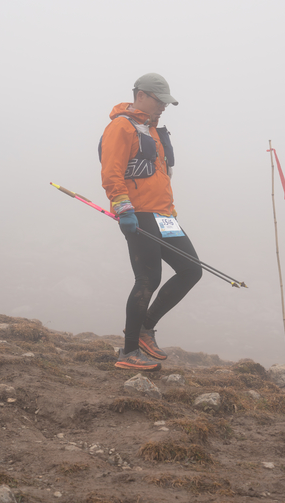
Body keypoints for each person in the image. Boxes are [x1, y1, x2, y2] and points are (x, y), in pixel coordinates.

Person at [100, 73, 202, 371]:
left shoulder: (153, 130)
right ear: (141, 95)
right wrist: (124, 210)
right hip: (140, 213)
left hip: (164, 215)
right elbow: (111, 172)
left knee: (191, 270)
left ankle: (145, 328)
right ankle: (129, 352)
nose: (164, 106)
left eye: (166, 102)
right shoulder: (121, 126)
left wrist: (170, 211)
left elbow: (160, 176)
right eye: (160, 101)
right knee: (148, 279)